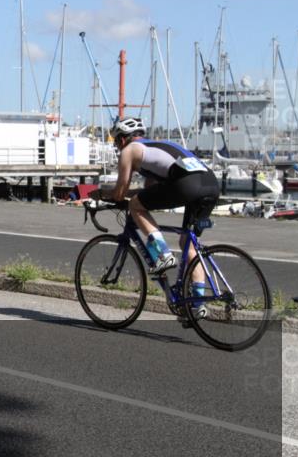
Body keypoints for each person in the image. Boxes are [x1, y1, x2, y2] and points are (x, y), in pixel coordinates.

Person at [91, 117, 219, 321]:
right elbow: (148, 190)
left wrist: (100, 193)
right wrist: (127, 193)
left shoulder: (130, 150)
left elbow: (120, 192)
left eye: (116, 141)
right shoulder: (159, 147)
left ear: (123, 139)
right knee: (189, 244)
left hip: (186, 184)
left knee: (135, 205)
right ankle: (197, 303)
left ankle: (162, 254)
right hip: (210, 184)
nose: (116, 146)